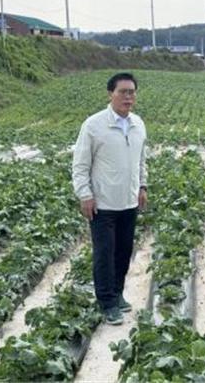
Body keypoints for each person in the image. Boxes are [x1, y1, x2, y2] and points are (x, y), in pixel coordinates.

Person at [72, 72, 147, 325]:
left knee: (124, 252)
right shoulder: (93, 125)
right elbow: (80, 165)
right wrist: (85, 195)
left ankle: (117, 293)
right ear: (110, 94)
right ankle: (106, 303)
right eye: (123, 92)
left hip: (128, 202)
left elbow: (141, 160)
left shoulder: (138, 124)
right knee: (104, 253)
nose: (129, 97)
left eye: (132, 92)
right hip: (102, 204)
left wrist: (143, 186)